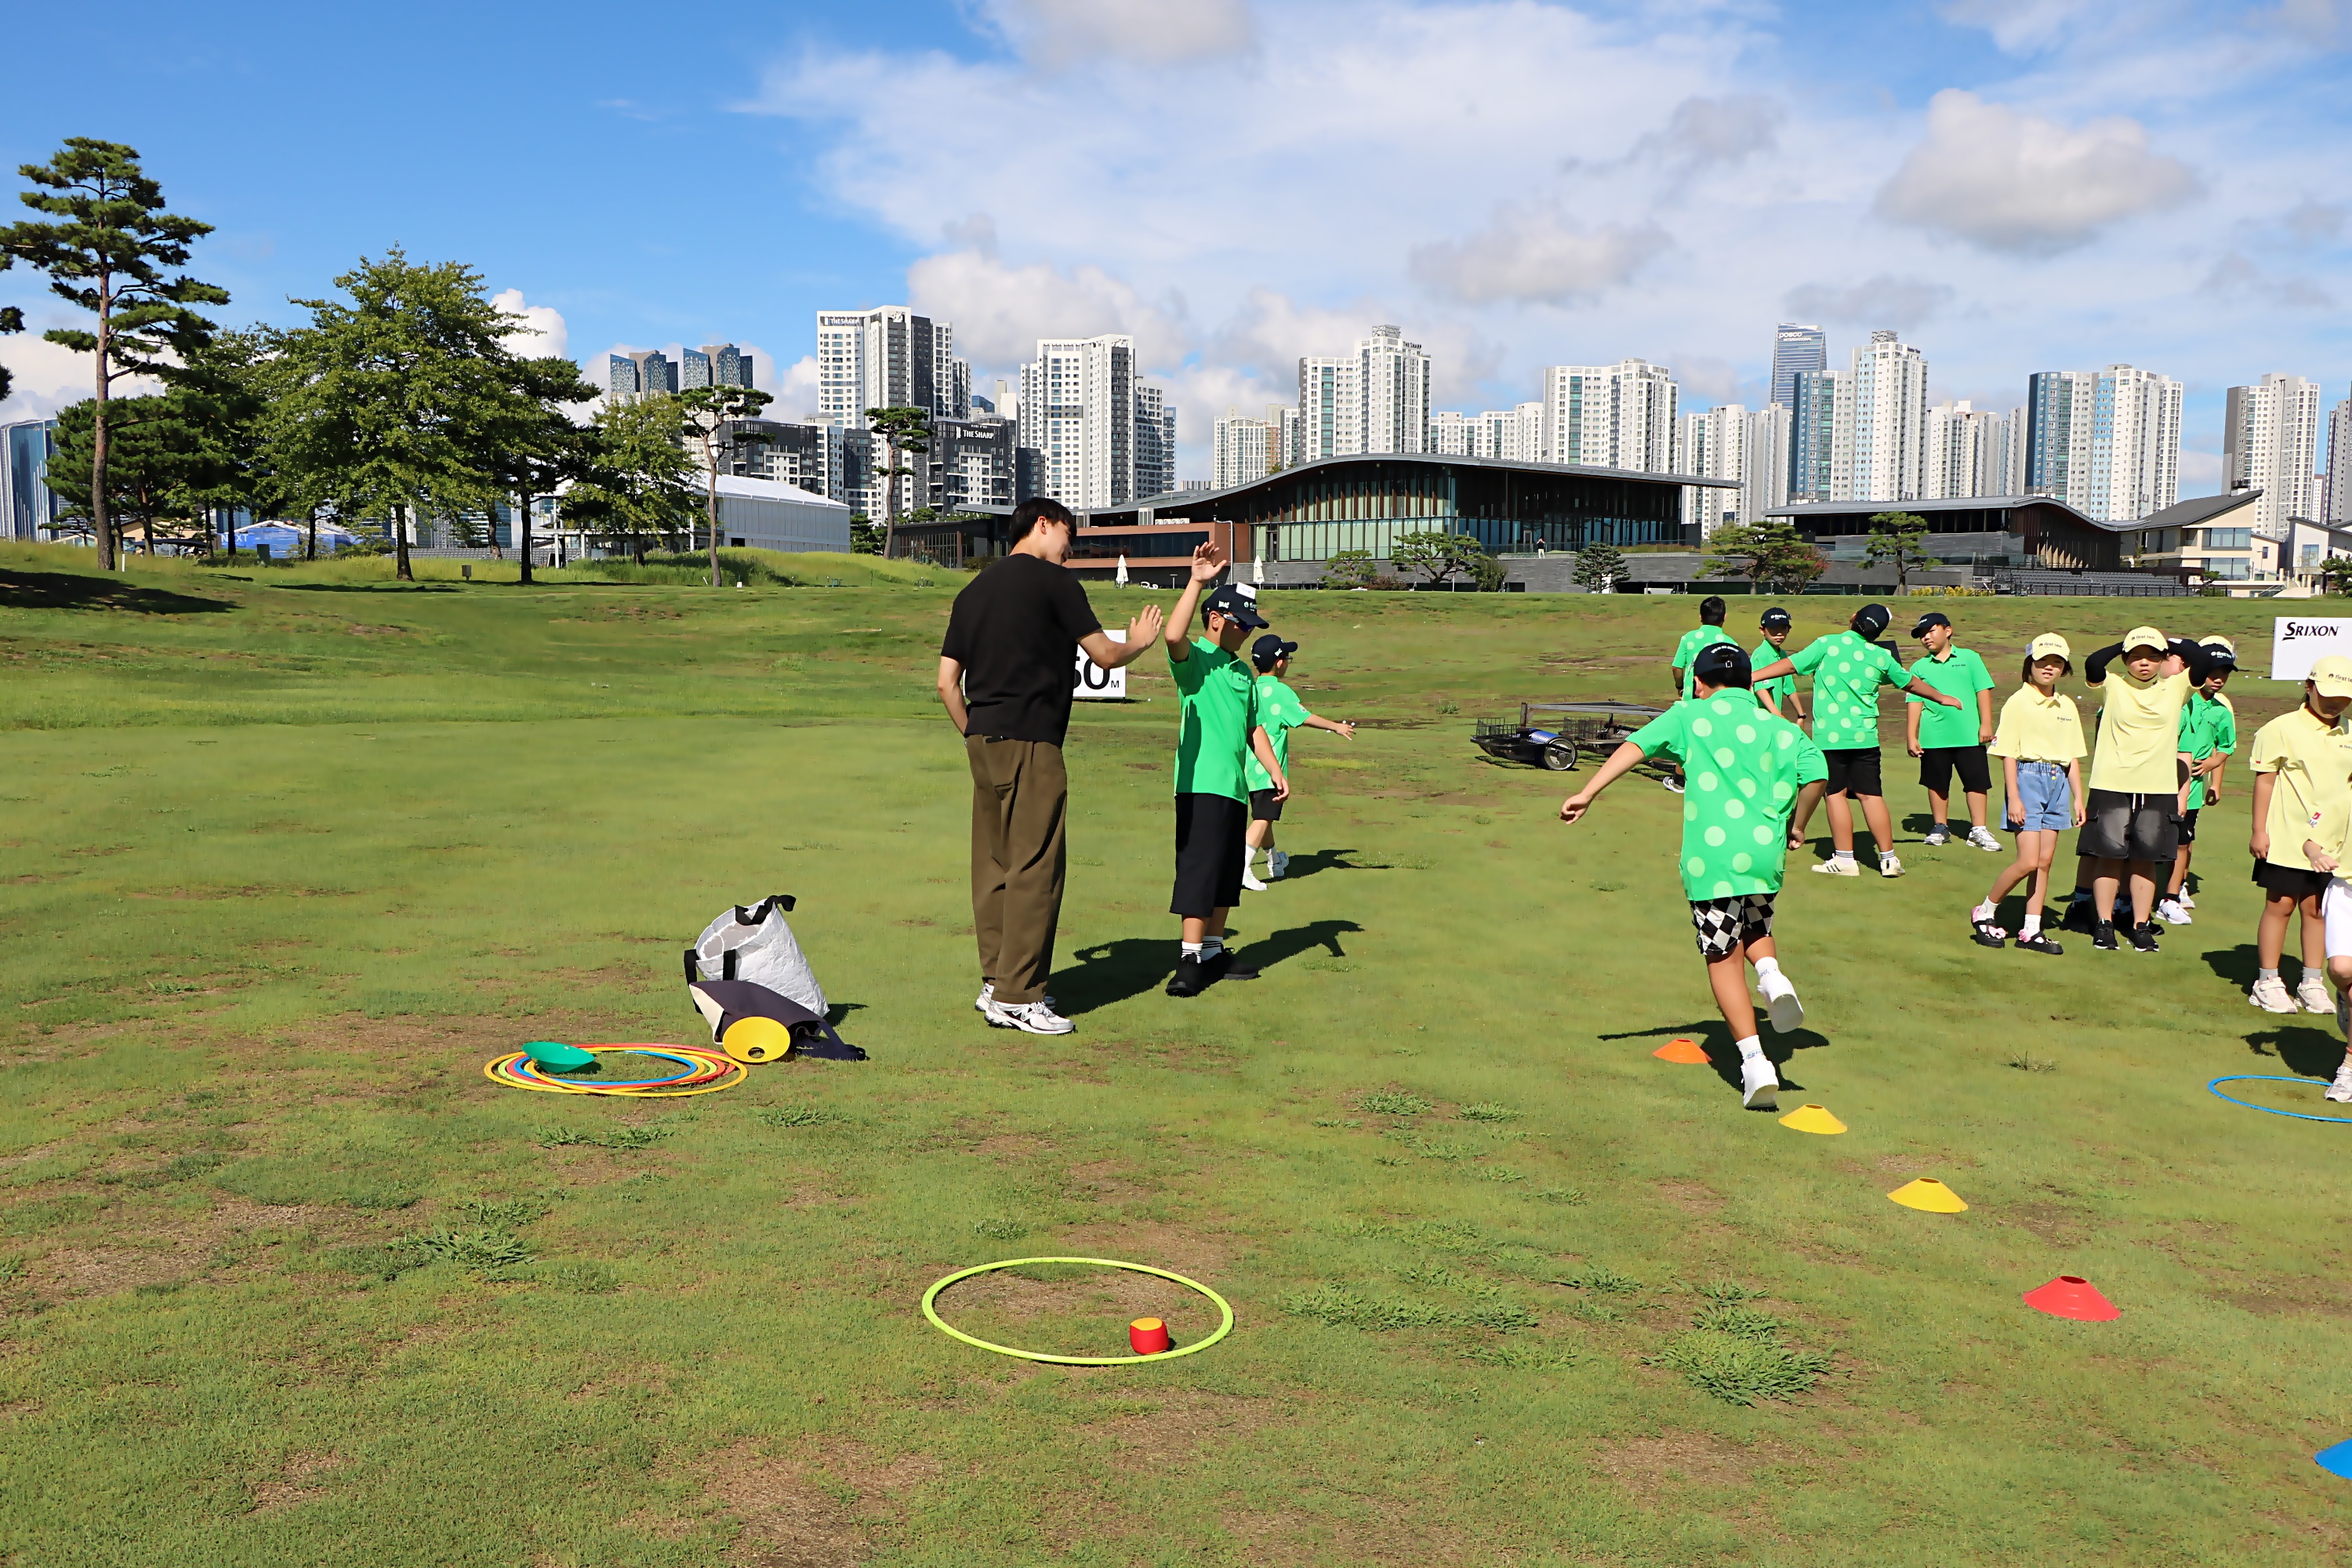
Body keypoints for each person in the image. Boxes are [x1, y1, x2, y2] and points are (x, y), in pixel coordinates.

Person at [1560, 643, 1828, 1110]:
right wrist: (1798, 824)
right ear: (1749, 682)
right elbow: (1818, 774)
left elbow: (1635, 746)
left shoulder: (1689, 715)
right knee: (1755, 926)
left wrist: (1588, 792)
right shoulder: (1780, 727)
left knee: (1722, 955)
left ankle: (1755, 1063)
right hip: (1763, 854)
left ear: (1699, 683)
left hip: (1712, 859)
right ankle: (1771, 976)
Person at [938, 496, 1163, 1035]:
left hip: (983, 738)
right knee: (1035, 868)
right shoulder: (1055, 583)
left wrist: (973, 734)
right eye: (1069, 536)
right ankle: (1018, 996)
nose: (1071, 549)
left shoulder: (972, 591)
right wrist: (1138, 643)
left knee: (994, 867)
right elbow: (1104, 655)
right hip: (1032, 741)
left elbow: (947, 683)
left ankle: (997, 982)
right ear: (1043, 524)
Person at [1752, 603, 1964, 879]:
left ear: (1853, 619)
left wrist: (1752, 676)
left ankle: (1845, 860)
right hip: (1865, 738)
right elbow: (1910, 682)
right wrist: (1941, 697)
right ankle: (1889, 859)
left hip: (1831, 740)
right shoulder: (1881, 656)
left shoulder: (1827, 644)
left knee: (1835, 794)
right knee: (1871, 795)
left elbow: (1791, 665)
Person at [1163, 543, 1288, 999]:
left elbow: (1254, 728)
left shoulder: (1242, 672)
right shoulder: (1196, 659)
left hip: (1235, 788)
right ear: (1216, 619)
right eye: (1242, 624)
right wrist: (1196, 582)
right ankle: (1189, 958)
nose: (1247, 633)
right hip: (1201, 785)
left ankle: (1214, 951)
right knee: (1200, 869)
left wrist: (1274, 771)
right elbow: (1172, 636)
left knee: (1225, 871)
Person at [2076, 627, 2213, 953]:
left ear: (2164, 659)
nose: (2144, 663)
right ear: (2125, 660)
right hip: (2112, 784)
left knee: (2145, 860)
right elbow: (2093, 664)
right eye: (2136, 657)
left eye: (2153, 657)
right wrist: (2126, 641)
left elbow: (2203, 662)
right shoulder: (2113, 685)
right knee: (2108, 858)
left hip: (2157, 788)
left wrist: (2170, 642)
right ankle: (2104, 923)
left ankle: (2140, 925)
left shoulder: (2175, 687)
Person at [2245, 654, 2352, 1014]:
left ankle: (2312, 981)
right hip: (2287, 834)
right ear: (2309, 687)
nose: (2336, 703)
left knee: (2318, 909)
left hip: (2333, 842)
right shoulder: (2281, 728)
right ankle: (2267, 981)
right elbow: (2265, 781)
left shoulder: (2350, 731)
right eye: (2329, 694)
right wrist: (2259, 830)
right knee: (2281, 905)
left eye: (2343, 697)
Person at [1969, 635, 2086, 955]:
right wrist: (2015, 797)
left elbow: (2072, 756)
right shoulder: (2018, 702)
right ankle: (1986, 910)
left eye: (2057, 662)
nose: (2049, 667)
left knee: (2044, 863)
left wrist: (2078, 797)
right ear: (2030, 664)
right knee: (2028, 860)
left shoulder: (2067, 705)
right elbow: (2007, 753)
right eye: (2042, 661)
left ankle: (2031, 930)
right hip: (2027, 780)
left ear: (2064, 668)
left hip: (2059, 783)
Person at [1241, 633, 1356, 891]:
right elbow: (1303, 717)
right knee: (1264, 818)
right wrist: (1336, 726)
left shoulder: (1251, 688)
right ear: (1279, 663)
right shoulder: (1281, 692)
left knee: (1265, 816)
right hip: (1269, 771)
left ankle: (1275, 860)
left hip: (1249, 768)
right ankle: (1242, 867)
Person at [1904, 611, 2000, 851]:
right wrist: (1911, 736)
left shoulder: (1970, 658)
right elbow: (1914, 701)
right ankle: (1940, 827)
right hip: (1934, 736)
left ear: (1948, 631)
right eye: (1922, 635)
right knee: (1937, 783)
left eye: (1931, 631)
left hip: (1969, 735)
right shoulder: (1919, 667)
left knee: (1976, 782)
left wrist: (1986, 724)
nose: (1926, 638)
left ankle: (1978, 830)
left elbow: (1982, 690)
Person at [2158, 646, 2238, 927]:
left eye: (2224, 675)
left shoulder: (2221, 711)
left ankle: (2171, 896)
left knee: (2182, 841)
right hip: (2160, 779)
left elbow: (2227, 745)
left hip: (2191, 787)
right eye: (2213, 673)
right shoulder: (2181, 699)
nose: (2218, 679)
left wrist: (2212, 765)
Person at [1664, 596, 1739, 794]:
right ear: (1725, 617)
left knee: (1687, 738)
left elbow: (1677, 667)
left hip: (1692, 696)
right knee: (1715, 738)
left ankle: (1680, 780)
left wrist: (1680, 686)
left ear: (1700, 617)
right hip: (1719, 698)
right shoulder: (1730, 642)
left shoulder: (1689, 638)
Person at [1752, 607, 1804, 728]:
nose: (1779, 633)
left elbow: (1789, 688)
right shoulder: (1761, 654)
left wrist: (1801, 715)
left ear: (1789, 629)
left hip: (1774, 719)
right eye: (1773, 629)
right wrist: (1779, 717)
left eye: (1783, 628)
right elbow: (1760, 689)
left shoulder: (1782, 655)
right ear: (1762, 630)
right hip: (1760, 720)